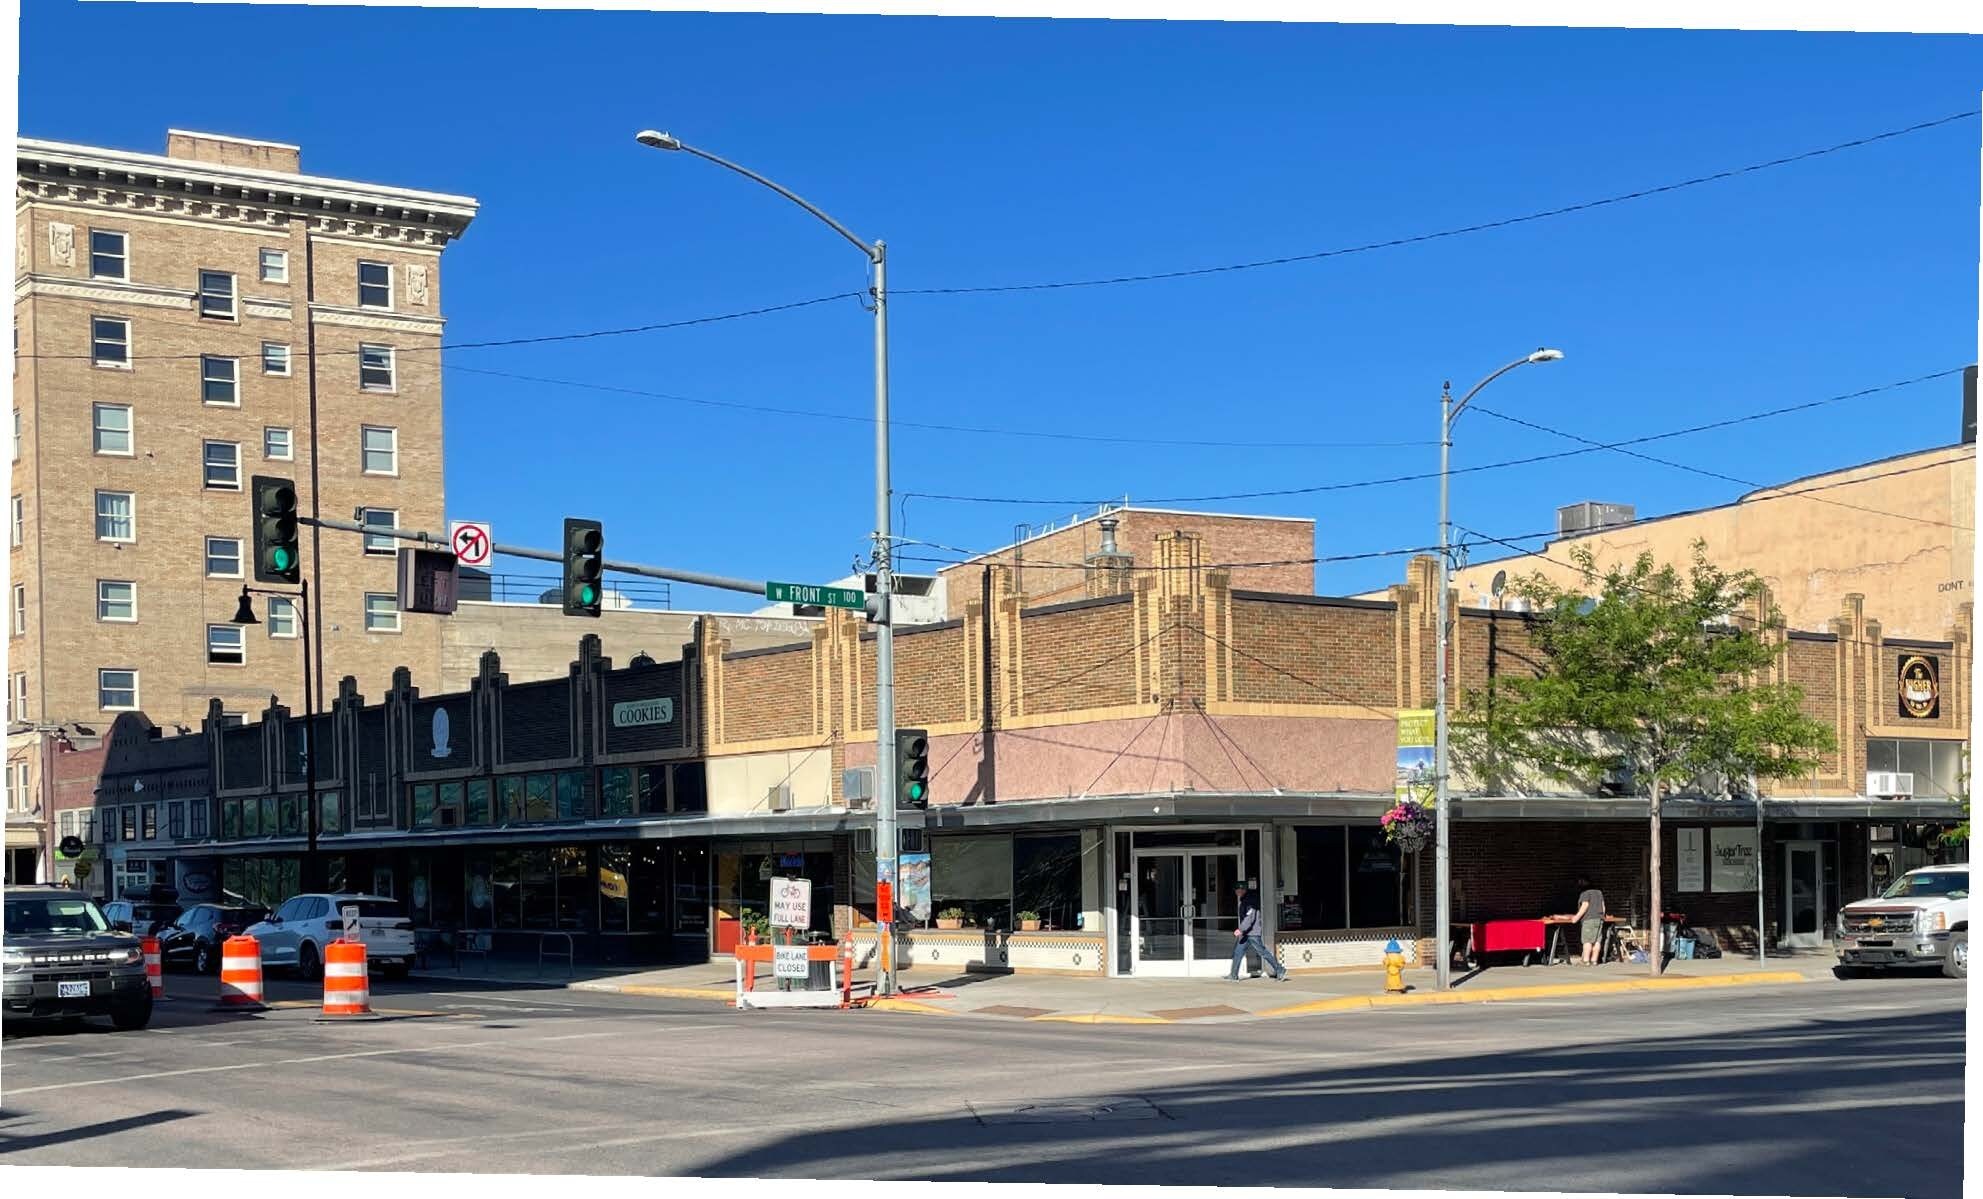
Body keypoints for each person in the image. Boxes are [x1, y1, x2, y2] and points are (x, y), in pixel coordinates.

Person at [1227, 884, 1287, 981]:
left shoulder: (1250, 901)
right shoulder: (1244, 900)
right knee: (1238, 952)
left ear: (1244, 890)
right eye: (1236, 889)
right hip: (1246, 934)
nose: (1236, 892)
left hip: (1252, 933)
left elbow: (1250, 918)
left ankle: (1280, 970)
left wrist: (1241, 929)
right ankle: (1233, 975)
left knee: (1263, 952)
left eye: (1238, 889)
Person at [1571, 877, 1607, 965]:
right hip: (1599, 918)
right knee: (1597, 941)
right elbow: (1603, 907)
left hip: (1589, 920)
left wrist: (1576, 917)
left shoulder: (1585, 893)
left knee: (1587, 941)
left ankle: (1586, 960)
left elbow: (1585, 906)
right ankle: (1594, 960)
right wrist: (1601, 916)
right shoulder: (1599, 892)